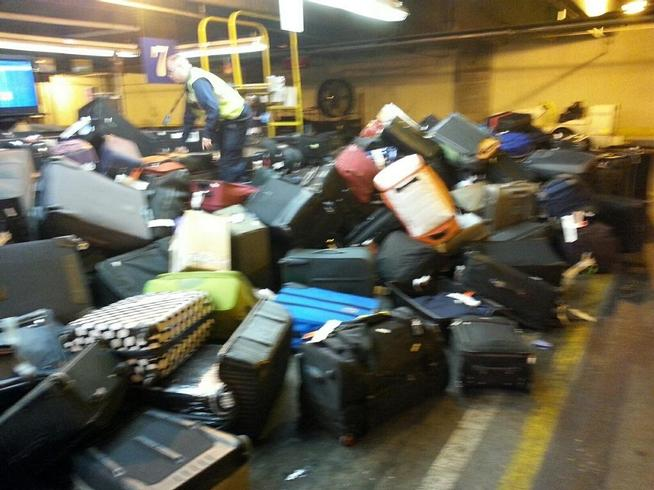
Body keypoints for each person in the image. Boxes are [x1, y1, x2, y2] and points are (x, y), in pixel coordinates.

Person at [166, 54, 251, 182]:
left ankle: (231, 191)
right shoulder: (189, 85)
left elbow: (213, 108)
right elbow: (189, 116)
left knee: (229, 159)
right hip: (226, 120)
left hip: (237, 117)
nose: (169, 76)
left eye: (171, 71)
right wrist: (182, 143)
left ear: (182, 67)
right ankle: (238, 184)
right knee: (227, 158)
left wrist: (207, 134)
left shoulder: (198, 82)